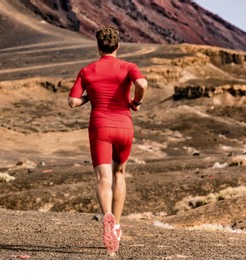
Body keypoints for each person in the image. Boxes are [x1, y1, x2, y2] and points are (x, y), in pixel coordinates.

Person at [67, 26, 148, 256]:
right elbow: (142, 84)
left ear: (98, 46)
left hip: (100, 127)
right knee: (119, 173)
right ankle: (118, 226)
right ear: (118, 46)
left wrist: (89, 97)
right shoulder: (128, 67)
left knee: (103, 177)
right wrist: (136, 102)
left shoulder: (87, 70)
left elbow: (73, 101)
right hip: (124, 126)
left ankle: (107, 218)